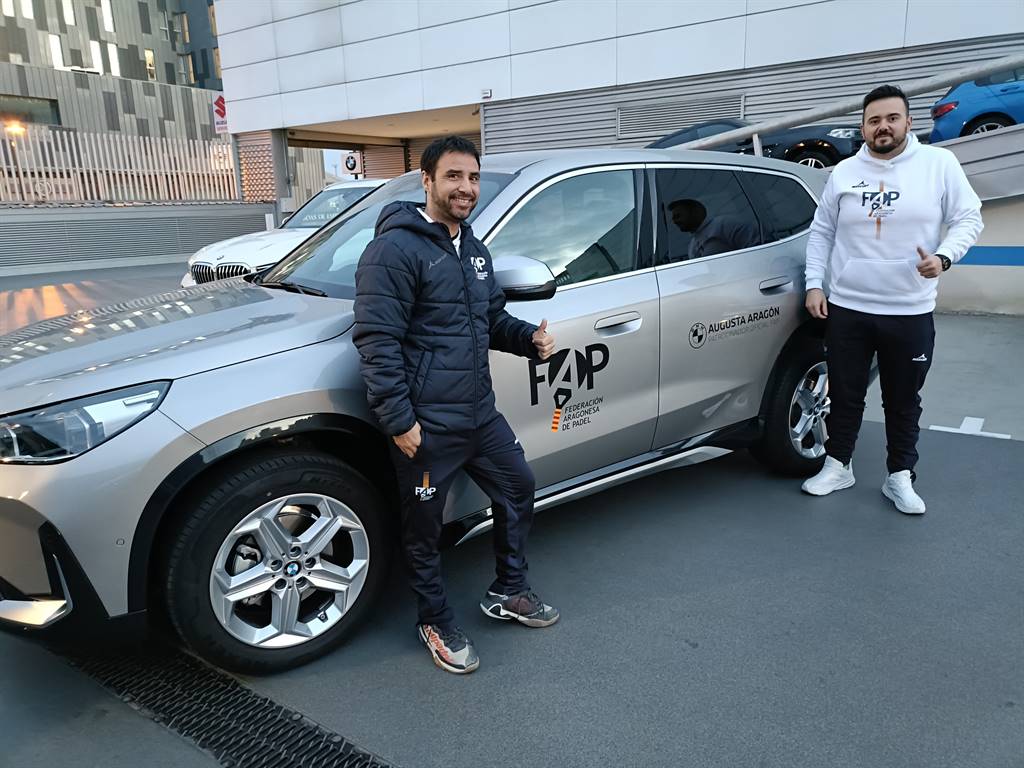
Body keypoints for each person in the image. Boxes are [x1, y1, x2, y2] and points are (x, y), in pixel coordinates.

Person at [353, 136, 559, 675]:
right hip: (426, 427)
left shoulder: (474, 250)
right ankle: (434, 619)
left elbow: (489, 320)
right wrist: (399, 421)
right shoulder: (394, 251)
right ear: (427, 180)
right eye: (453, 176)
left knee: (518, 486)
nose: (465, 187)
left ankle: (510, 590)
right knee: (424, 527)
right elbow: (377, 340)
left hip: (479, 415)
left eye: (472, 177)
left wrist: (527, 340)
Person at [801, 84, 983, 514]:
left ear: (908, 122)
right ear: (863, 127)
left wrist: (944, 257)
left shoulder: (938, 164)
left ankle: (899, 475)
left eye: (891, 118)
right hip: (848, 306)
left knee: (902, 400)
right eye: (874, 120)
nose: (883, 127)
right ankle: (838, 465)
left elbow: (968, 218)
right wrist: (814, 283)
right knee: (845, 395)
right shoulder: (844, 172)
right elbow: (822, 231)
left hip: (909, 309)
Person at [668, 198, 761, 260]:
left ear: (696, 212)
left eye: (678, 216)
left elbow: (758, 250)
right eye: (673, 218)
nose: (674, 221)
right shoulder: (692, 245)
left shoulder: (725, 224)